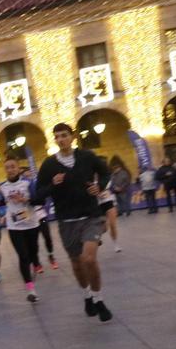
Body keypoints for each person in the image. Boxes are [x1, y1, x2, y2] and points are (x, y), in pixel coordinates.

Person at [35, 123, 114, 322]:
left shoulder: (87, 156)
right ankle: (87, 295)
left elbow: (105, 173)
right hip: (66, 220)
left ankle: (99, 299)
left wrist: (99, 186)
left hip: (90, 216)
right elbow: (38, 195)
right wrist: (53, 184)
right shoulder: (49, 165)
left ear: (73, 137)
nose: (61, 139)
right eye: (57, 137)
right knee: (77, 264)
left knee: (89, 259)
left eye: (64, 135)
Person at [0, 160, 41, 301]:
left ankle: (35, 265)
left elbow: (38, 200)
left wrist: (24, 199)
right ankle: (30, 289)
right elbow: (0, 204)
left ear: (18, 168)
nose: (10, 170)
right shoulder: (2, 187)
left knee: (33, 253)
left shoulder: (28, 183)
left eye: (13, 167)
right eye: (7, 167)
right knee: (23, 256)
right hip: (14, 226)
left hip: (31, 224)